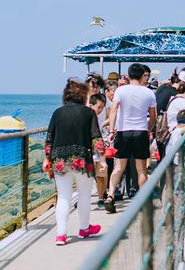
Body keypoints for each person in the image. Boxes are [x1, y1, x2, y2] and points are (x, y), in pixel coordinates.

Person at [44, 79, 104, 245]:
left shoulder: (57, 113)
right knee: (84, 195)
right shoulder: (88, 113)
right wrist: (103, 158)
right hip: (82, 160)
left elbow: (49, 140)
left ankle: (61, 235)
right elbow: (96, 138)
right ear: (82, 95)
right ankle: (84, 229)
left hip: (60, 160)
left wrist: (47, 160)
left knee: (63, 197)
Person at [104, 63, 157, 213]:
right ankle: (143, 200)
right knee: (141, 170)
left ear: (128, 75)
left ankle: (110, 196)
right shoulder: (149, 93)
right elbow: (153, 117)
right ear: (142, 76)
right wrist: (148, 129)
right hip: (140, 131)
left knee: (119, 167)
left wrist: (112, 130)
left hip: (123, 132)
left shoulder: (121, 90)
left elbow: (114, 110)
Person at [88, 93, 108, 207]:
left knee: (100, 176)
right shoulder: (87, 117)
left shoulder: (99, 120)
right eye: (98, 107)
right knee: (87, 177)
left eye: (102, 108)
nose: (100, 110)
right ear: (91, 105)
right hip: (90, 152)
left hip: (98, 152)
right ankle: (81, 198)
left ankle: (100, 197)